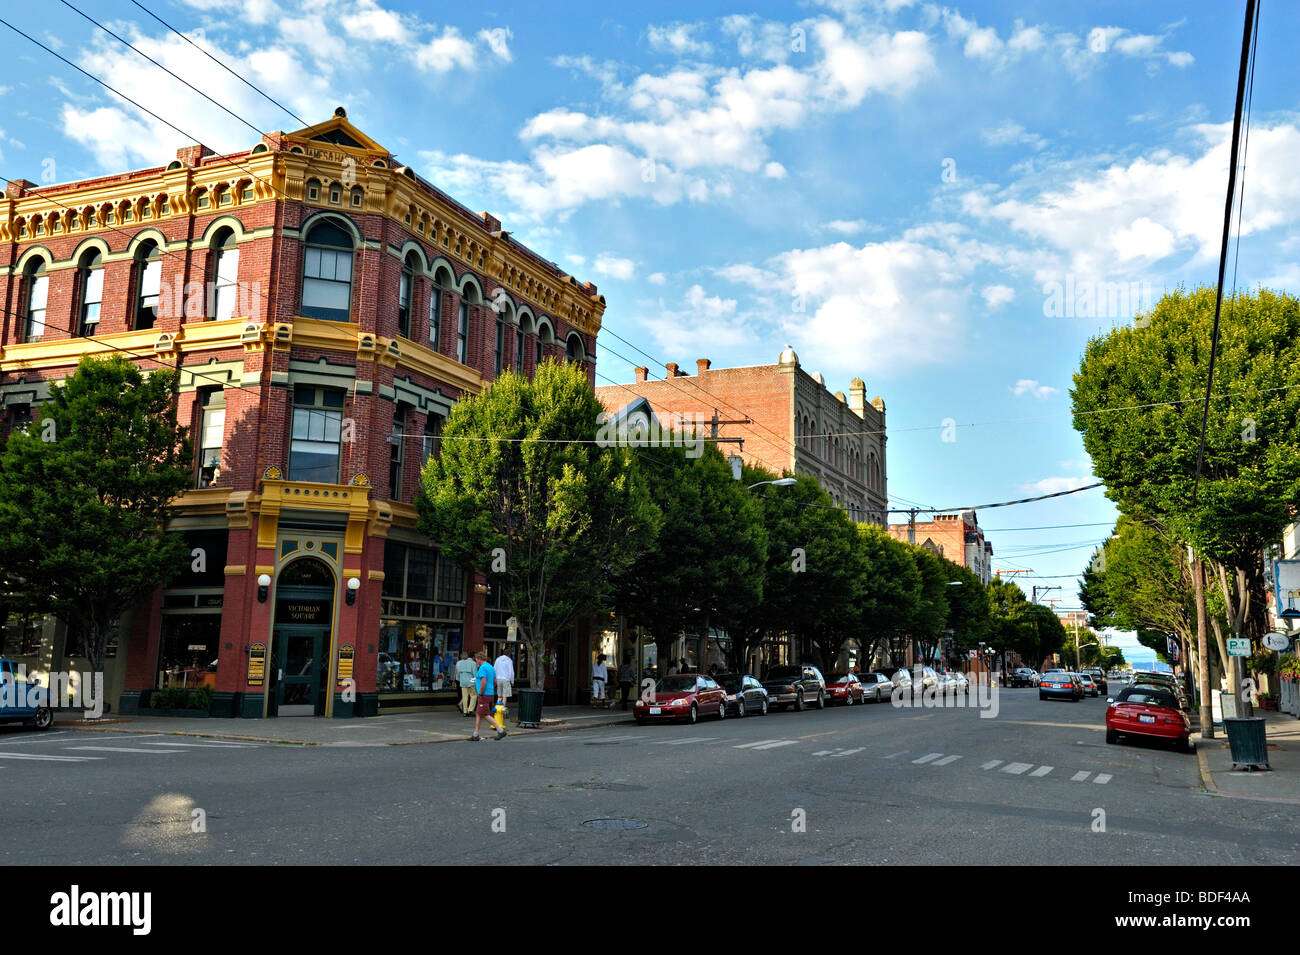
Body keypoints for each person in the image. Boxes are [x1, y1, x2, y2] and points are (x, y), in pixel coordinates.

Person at [472, 649, 505, 741]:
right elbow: (495, 681)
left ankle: (500, 730)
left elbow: (483, 681)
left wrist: (480, 692)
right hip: (489, 692)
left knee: (485, 714)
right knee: (479, 713)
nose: (476, 661)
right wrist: (490, 687)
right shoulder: (491, 667)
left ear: (479, 659)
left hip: (484, 694)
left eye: (476, 659)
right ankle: (475, 734)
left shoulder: (482, 668)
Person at [455, 651, 477, 717]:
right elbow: (475, 674)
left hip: (463, 682)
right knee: (474, 695)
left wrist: (459, 680)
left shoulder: (461, 663)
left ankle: (465, 711)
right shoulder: (473, 663)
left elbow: (458, 673)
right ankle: (470, 710)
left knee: (464, 697)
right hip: (471, 682)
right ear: (473, 657)